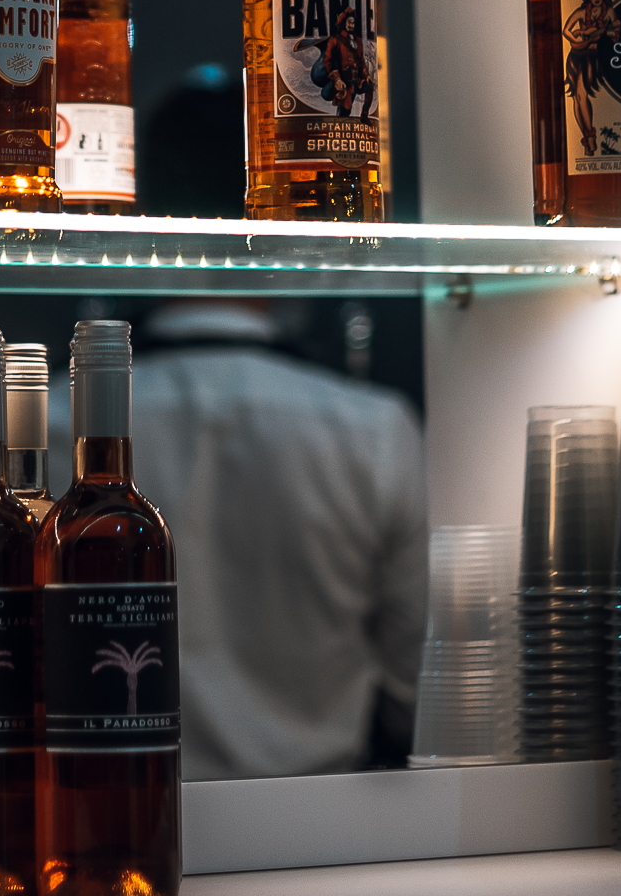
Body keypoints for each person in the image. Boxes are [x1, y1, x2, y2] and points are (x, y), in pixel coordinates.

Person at [57, 300, 425, 781]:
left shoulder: (47, 420)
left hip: (103, 808)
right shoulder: (374, 427)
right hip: (319, 814)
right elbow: (417, 677)